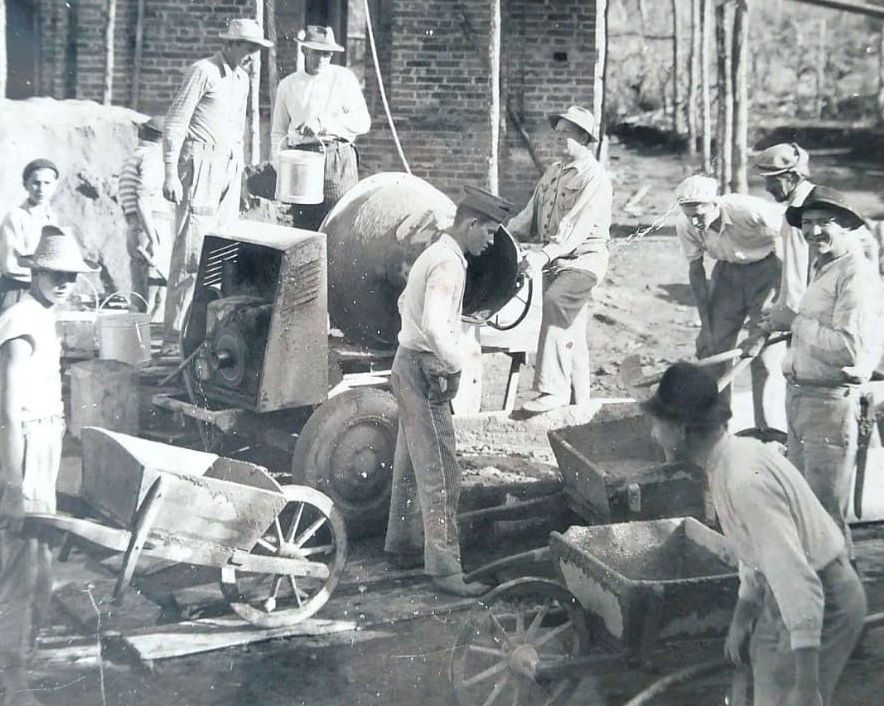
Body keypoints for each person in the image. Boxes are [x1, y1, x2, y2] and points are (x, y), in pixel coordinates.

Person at [643, 362, 866, 706]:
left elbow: (793, 574)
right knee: (766, 681)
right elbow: (755, 550)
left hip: (825, 599)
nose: (653, 434)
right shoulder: (726, 462)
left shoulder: (744, 480)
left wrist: (807, 684)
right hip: (787, 598)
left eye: (657, 424)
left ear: (683, 429)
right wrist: (743, 616)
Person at [384, 186, 512, 597]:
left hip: (406, 361)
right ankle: (445, 569)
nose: (490, 242)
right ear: (470, 224)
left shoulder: (434, 253)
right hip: (425, 369)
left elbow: (406, 299)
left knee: (410, 465)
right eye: (489, 233)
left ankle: (402, 545)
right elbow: (438, 326)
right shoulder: (449, 265)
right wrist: (456, 364)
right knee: (442, 472)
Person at [0, 225, 95, 705]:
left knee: (38, 571)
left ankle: (17, 671)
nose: (63, 282)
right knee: (22, 571)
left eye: (70, 276)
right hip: (23, 446)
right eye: (54, 273)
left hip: (44, 443)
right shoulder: (19, 320)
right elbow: (8, 410)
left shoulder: (42, 313)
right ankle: (11, 686)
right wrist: (14, 487)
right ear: (35, 270)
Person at [763, 186, 883, 557]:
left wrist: (796, 321)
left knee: (825, 516)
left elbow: (849, 348)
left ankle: (841, 603)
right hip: (801, 397)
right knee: (804, 511)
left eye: (823, 223)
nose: (813, 232)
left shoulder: (856, 274)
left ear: (847, 224)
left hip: (829, 405)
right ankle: (819, 599)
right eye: (808, 224)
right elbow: (819, 330)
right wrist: (785, 324)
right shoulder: (825, 267)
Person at [161, 18, 273, 355]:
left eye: (257, 49)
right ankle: (172, 337)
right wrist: (169, 171)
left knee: (223, 252)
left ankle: (203, 335)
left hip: (227, 168)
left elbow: (236, 134)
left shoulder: (241, 80)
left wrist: (237, 183)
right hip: (200, 166)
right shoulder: (203, 72)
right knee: (192, 254)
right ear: (230, 44)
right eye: (249, 48)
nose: (253, 56)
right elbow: (175, 122)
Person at [507, 105, 612, 414]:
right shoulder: (554, 172)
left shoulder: (595, 179)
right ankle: (581, 405)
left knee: (557, 302)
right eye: (559, 132)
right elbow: (530, 213)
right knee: (571, 331)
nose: (559, 138)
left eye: (566, 133)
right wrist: (505, 236)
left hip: (583, 260)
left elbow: (575, 228)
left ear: (584, 136)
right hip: (553, 260)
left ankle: (552, 389)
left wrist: (543, 254)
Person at [674, 175, 783, 427]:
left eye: (700, 214)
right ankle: (719, 424)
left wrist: (781, 295)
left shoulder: (746, 209)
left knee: (763, 353)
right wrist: (705, 324)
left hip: (766, 271)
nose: (695, 221)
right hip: (726, 275)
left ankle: (766, 428)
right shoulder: (686, 224)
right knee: (714, 348)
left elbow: (789, 238)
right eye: (689, 215)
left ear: (714, 204)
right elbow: (696, 271)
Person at [270, 25, 370, 231]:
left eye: (327, 54)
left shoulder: (343, 79)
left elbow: (362, 121)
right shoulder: (288, 85)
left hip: (337, 159)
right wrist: (280, 167)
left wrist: (322, 124)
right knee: (304, 227)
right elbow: (278, 131)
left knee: (339, 224)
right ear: (304, 50)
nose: (321, 59)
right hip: (302, 161)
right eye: (316, 52)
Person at [119, 116, 173, 322]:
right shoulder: (152, 158)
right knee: (155, 290)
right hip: (151, 224)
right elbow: (143, 198)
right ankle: (149, 345)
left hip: (137, 226)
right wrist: (153, 237)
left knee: (140, 290)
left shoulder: (134, 157)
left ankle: (137, 343)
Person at [0, 160, 59, 312]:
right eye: (36, 183)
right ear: (25, 184)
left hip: (44, 291)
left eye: (47, 183)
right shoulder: (14, 217)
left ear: (55, 185)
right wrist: (43, 276)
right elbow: (10, 264)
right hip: (17, 289)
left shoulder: (52, 217)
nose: (41, 189)